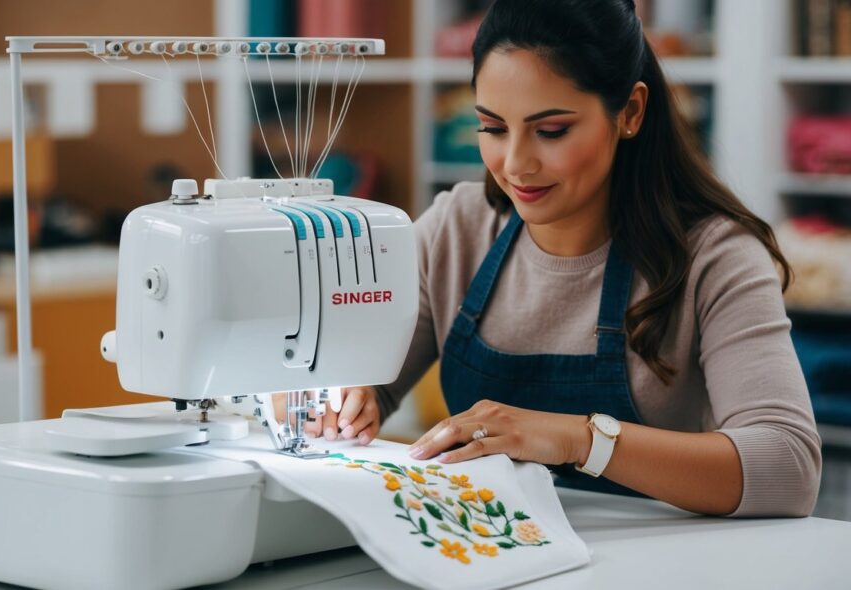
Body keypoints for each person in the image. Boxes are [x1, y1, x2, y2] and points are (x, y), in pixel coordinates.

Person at [297, 0, 821, 518]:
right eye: (493, 128)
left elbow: (788, 466)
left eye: (551, 131)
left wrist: (579, 438)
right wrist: (338, 400)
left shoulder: (715, 255)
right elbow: (356, 381)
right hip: (496, 555)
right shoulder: (457, 228)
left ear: (631, 112)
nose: (517, 163)